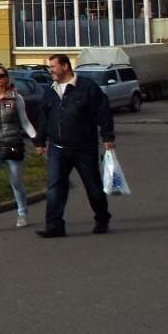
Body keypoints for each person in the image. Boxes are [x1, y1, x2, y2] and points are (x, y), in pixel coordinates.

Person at [34, 53, 114, 237]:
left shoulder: (87, 88)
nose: (50, 70)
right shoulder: (51, 90)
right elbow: (44, 117)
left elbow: (103, 112)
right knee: (55, 186)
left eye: (53, 67)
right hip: (57, 148)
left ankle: (102, 218)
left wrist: (108, 136)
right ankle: (54, 225)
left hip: (84, 148)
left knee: (93, 186)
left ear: (65, 66)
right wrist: (40, 140)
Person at [0, 65, 38, 232]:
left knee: (16, 182)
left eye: (1, 76)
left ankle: (22, 213)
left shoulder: (17, 98)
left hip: (13, 145)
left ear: (7, 77)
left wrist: (36, 139)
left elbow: (25, 122)